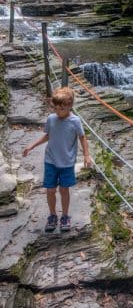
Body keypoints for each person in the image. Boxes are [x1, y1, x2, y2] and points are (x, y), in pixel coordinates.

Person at [22, 87, 91, 232]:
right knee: (50, 190)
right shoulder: (51, 119)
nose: (58, 111)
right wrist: (32, 146)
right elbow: (48, 135)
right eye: (55, 108)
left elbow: (82, 137)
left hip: (67, 162)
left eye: (61, 108)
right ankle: (53, 215)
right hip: (51, 160)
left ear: (69, 106)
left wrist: (86, 155)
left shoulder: (75, 121)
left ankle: (65, 216)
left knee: (64, 190)